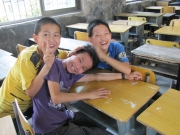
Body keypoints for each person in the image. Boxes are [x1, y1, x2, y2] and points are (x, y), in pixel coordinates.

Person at [32, 44, 142, 135]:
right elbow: (56, 98)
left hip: (63, 116)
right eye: (80, 60)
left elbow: (97, 76)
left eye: (83, 68)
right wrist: (89, 94)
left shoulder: (72, 75)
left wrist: (124, 76)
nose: (78, 67)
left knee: (102, 122)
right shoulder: (53, 64)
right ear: (74, 53)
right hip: (50, 129)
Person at [0, 17, 69, 119]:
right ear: (36, 38)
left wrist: (77, 53)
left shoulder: (55, 52)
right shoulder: (28, 57)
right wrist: (47, 66)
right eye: (46, 34)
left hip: (28, 105)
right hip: (8, 110)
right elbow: (30, 92)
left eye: (56, 35)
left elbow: (68, 54)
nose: (51, 39)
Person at [68, 19, 141, 78]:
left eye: (106, 33)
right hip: (94, 84)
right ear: (90, 40)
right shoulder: (88, 53)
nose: (103, 38)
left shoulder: (117, 47)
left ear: (110, 35)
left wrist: (104, 57)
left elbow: (127, 70)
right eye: (98, 35)